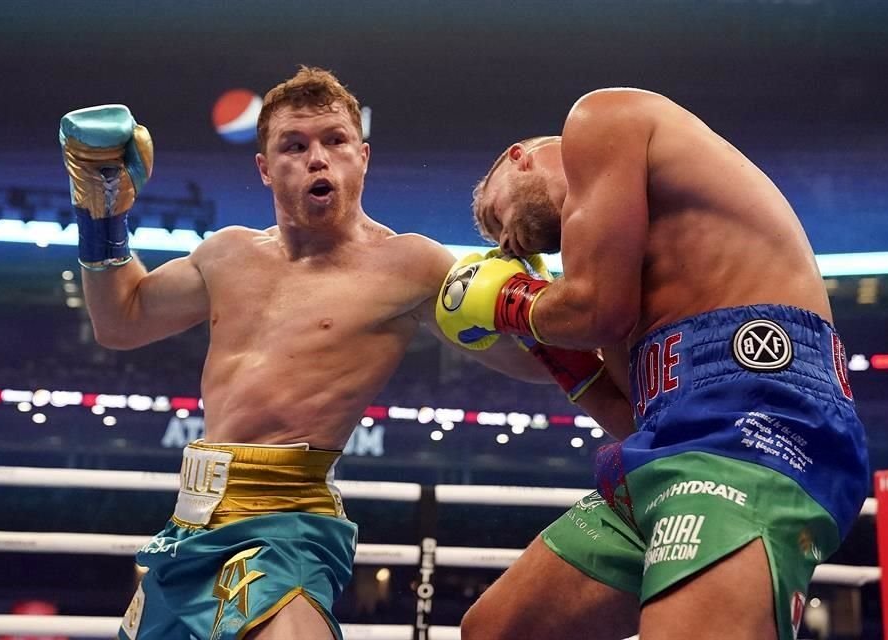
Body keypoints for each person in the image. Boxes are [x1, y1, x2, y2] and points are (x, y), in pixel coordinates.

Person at [58, 67, 623, 640]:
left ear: (363, 156)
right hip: (191, 520)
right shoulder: (226, 253)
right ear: (264, 168)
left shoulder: (412, 266)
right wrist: (102, 211)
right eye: (294, 146)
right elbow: (120, 321)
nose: (317, 158)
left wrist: (528, 296)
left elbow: (531, 363)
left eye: (334, 140)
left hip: (288, 520)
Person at [435, 88, 870, 639]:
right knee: (495, 631)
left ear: (518, 156)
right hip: (670, 449)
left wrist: (508, 301)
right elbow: (636, 420)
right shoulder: (615, 280)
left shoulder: (603, 120)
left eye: (495, 214)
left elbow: (598, 311)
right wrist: (549, 343)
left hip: (758, 428)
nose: (505, 245)